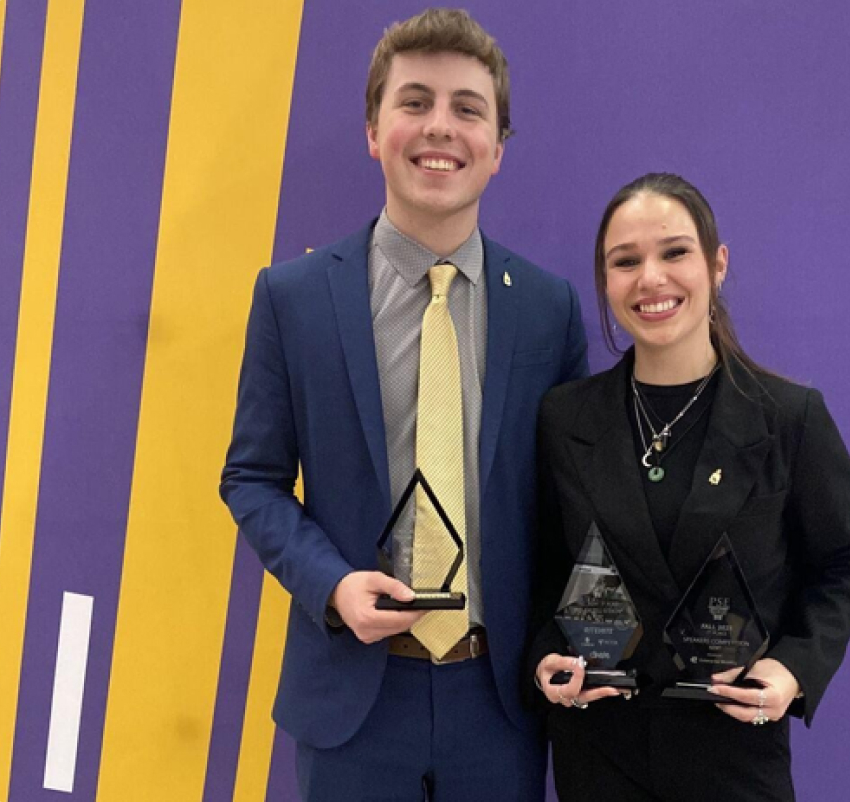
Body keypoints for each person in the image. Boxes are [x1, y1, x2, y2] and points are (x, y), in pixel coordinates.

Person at [220, 9, 587, 801]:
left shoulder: (549, 310)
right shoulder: (292, 298)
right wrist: (331, 585)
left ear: (498, 148)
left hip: (498, 705)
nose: (440, 127)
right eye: (414, 102)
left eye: (468, 108)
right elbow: (251, 478)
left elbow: (573, 503)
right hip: (351, 702)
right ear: (372, 131)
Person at [529, 173, 850, 801]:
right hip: (600, 754)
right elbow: (545, 570)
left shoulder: (789, 417)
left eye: (675, 252)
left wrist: (793, 669)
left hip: (734, 756)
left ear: (717, 265)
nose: (651, 278)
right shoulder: (564, 417)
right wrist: (548, 654)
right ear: (605, 282)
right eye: (625, 262)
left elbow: (844, 564)